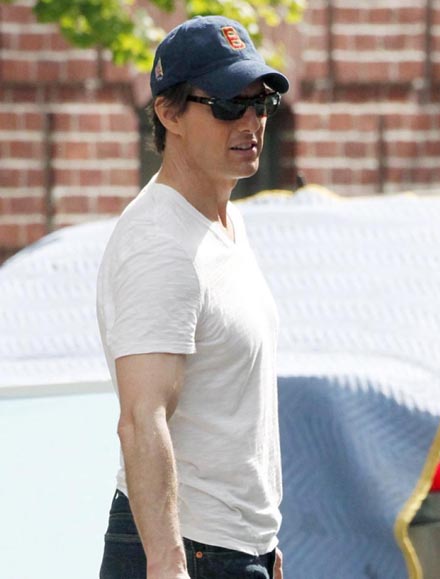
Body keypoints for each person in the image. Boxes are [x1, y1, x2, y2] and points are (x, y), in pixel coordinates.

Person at [96, 15, 289, 579]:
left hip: (229, 548)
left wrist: (260, 545)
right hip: (185, 552)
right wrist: (168, 563)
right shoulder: (159, 243)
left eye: (261, 103)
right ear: (168, 112)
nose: (251, 121)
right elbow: (141, 418)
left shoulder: (224, 221)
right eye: (228, 104)